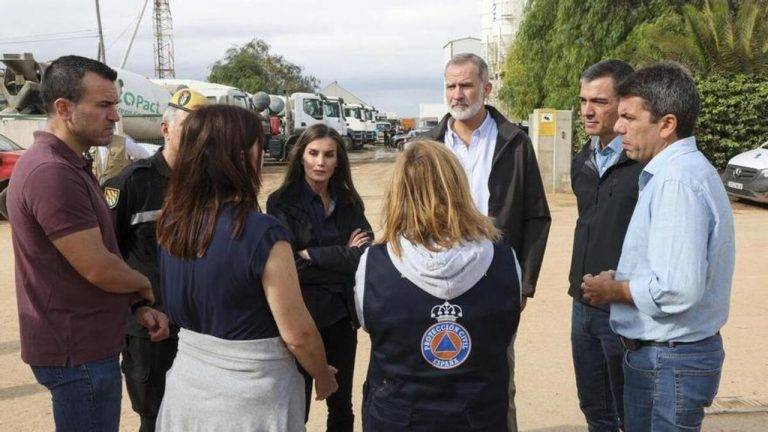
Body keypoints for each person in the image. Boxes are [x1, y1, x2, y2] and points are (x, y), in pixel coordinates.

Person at [6, 55, 169, 432]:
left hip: (83, 346)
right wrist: (144, 286)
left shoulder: (68, 164)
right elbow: (98, 266)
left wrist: (136, 305)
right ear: (64, 108)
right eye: (104, 105)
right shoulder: (51, 172)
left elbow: (94, 259)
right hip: (77, 353)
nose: (114, 116)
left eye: (115, 104)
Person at [154, 105, 337, 432]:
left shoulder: (171, 223)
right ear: (242, 157)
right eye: (260, 147)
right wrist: (323, 377)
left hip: (187, 390)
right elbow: (298, 334)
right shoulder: (261, 233)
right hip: (249, 402)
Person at [582, 62, 735, 431]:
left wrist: (615, 289)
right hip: (667, 361)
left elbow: (678, 287)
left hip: (669, 363)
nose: (618, 128)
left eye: (629, 118)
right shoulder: (676, 174)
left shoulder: (677, 182)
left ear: (666, 124)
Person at [354, 140, 522, 430]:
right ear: (459, 189)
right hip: (479, 417)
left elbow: (371, 324)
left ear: (398, 192)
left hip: (398, 416)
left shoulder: (373, 264)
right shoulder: (506, 260)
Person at [429, 52, 551, 431]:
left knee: (497, 380)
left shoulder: (514, 143)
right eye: (451, 86)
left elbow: (536, 216)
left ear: (487, 88)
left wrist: (524, 283)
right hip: (435, 283)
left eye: (466, 85)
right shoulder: (428, 147)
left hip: (494, 284)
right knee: (438, 378)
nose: (458, 94)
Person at [103, 88, 208, 432]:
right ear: (165, 130)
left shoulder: (211, 185)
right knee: (155, 418)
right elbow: (109, 255)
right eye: (188, 129)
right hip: (151, 329)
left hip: (203, 327)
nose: (197, 138)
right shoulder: (134, 183)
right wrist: (134, 307)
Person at [267, 123, 371, 432]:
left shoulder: (350, 202)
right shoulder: (281, 202)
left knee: (341, 406)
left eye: (328, 155)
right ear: (301, 157)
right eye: (313, 153)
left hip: (340, 318)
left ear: (339, 160)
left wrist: (313, 254)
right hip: (299, 318)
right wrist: (342, 253)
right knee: (296, 408)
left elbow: (364, 256)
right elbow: (287, 269)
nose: (320, 162)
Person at [569, 59, 637, 432]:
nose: (587, 111)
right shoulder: (583, 159)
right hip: (582, 303)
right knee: (593, 406)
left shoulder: (644, 162)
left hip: (622, 306)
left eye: (599, 101)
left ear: (624, 102)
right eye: (583, 101)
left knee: (630, 409)